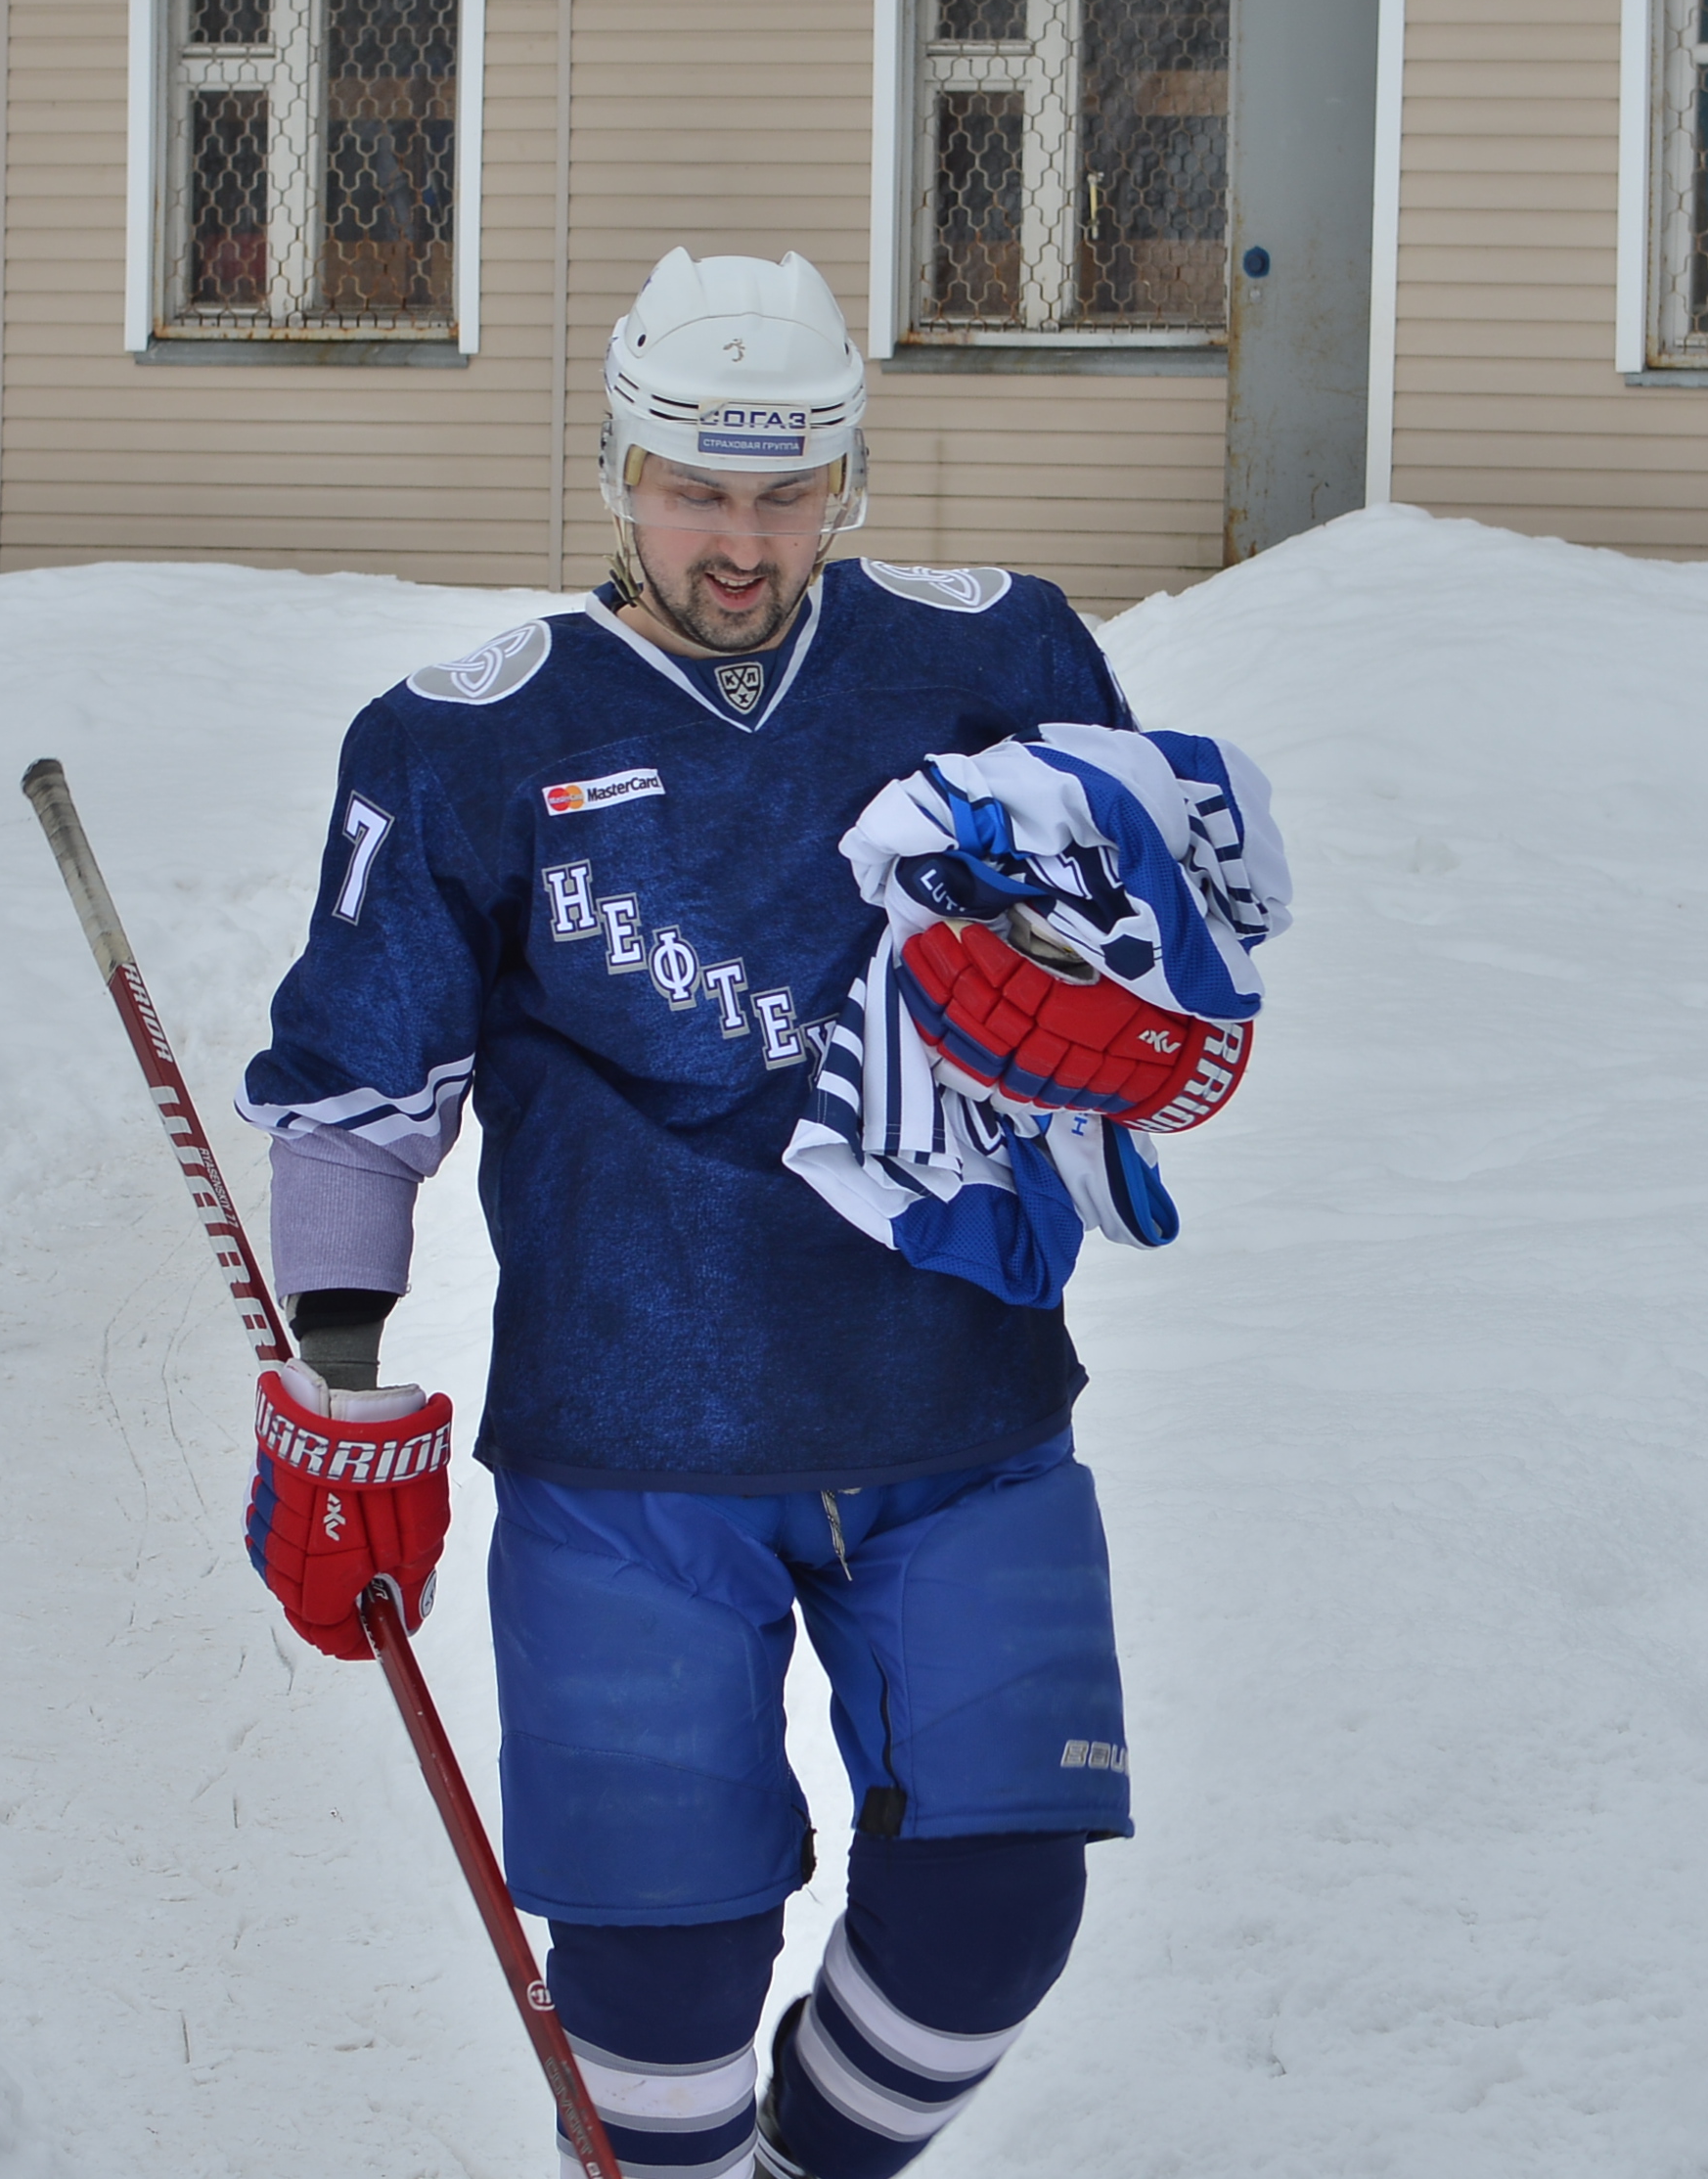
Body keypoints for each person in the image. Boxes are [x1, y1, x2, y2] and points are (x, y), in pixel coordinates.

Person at [232, 249, 1273, 2179]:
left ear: (846, 478)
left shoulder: (992, 663)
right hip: (632, 1450)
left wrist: (1150, 1013)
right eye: (695, 489)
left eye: (785, 493)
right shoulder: (463, 741)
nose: (738, 541)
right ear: (617, 470)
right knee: (662, 1984)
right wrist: (337, 1385)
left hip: (961, 1417)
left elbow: (1155, 949)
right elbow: (363, 1100)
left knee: (995, 1916)